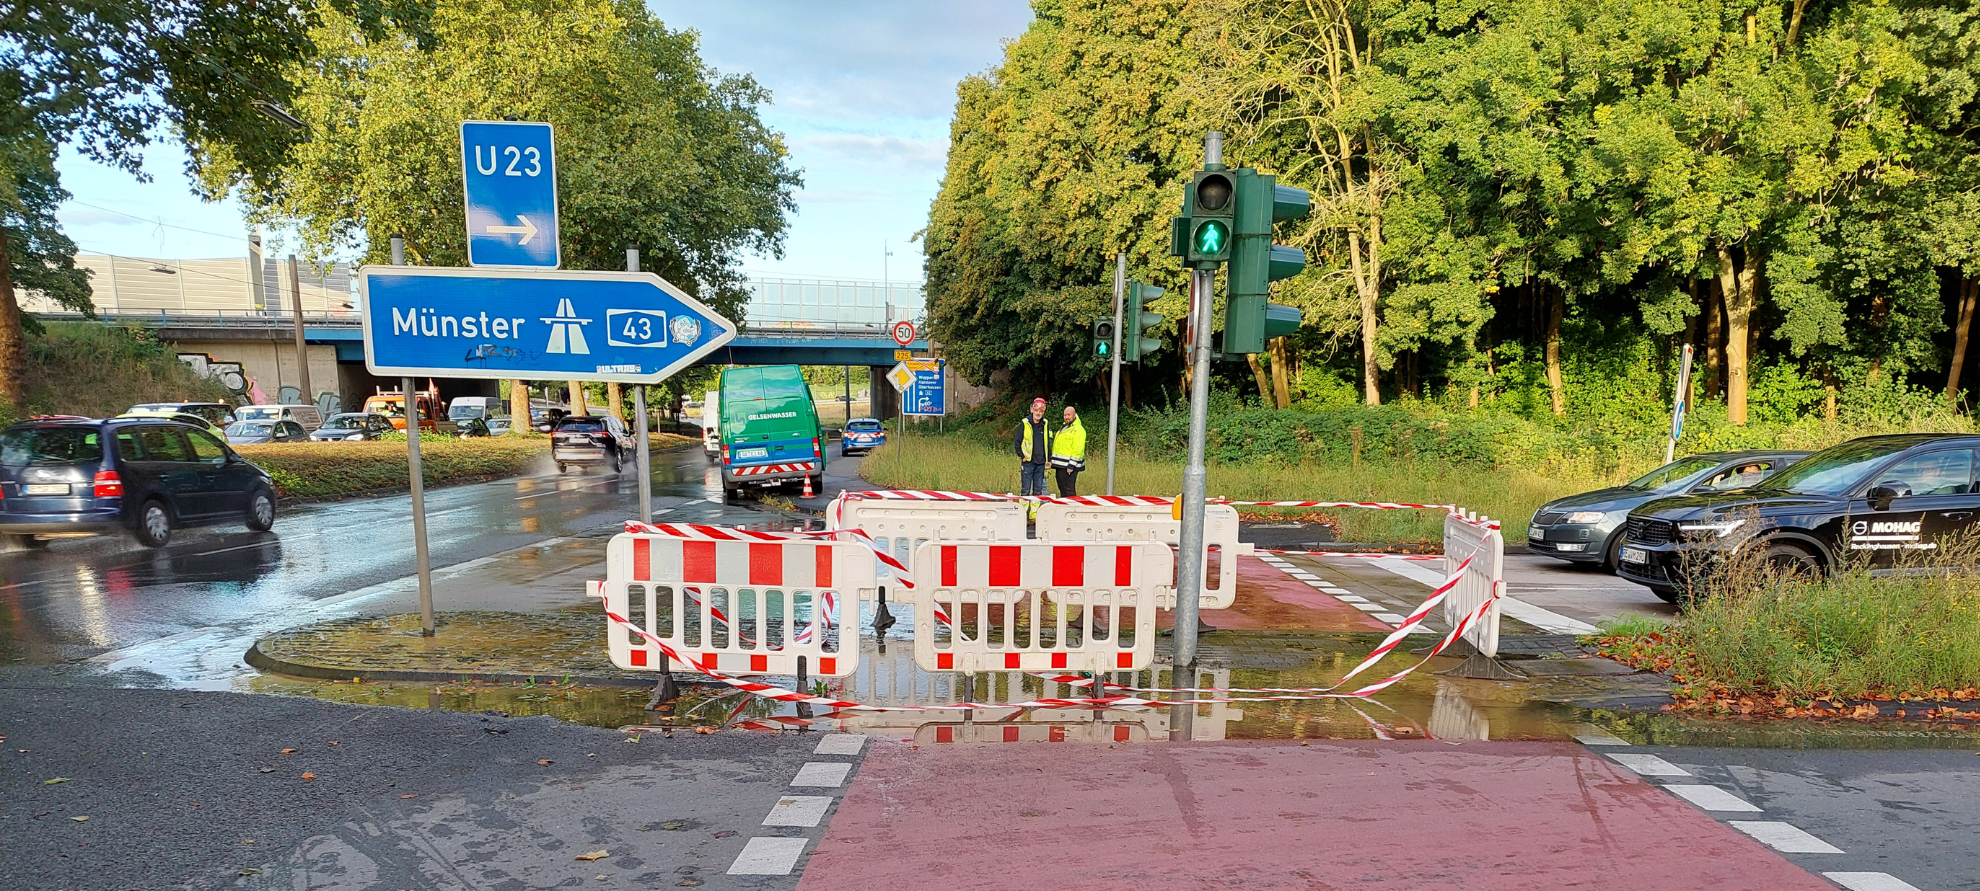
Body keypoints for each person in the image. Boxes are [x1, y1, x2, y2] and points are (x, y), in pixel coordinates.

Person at [1014, 397, 1051, 496]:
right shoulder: (1025, 423)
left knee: (1038, 491)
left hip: (1041, 463)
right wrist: (1022, 456)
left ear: (1043, 412)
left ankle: (1035, 511)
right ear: (1032, 410)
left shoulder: (1046, 423)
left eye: (1041, 411)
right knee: (1025, 490)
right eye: (1036, 410)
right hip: (1028, 462)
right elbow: (1017, 442)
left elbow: (1048, 442)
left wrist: (1049, 459)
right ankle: (1024, 511)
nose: (1038, 413)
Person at [1049, 405, 1086, 497]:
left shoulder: (1078, 429)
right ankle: (1064, 509)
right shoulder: (1065, 428)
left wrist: (1071, 465)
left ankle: (1072, 510)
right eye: (1065, 415)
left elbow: (1078, 449)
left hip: (1069, 466)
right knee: (1062, 489)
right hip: (1060, 465)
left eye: (1069, 415)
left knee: (1069, 490)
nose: (1066, 417)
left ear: (1074, 415)